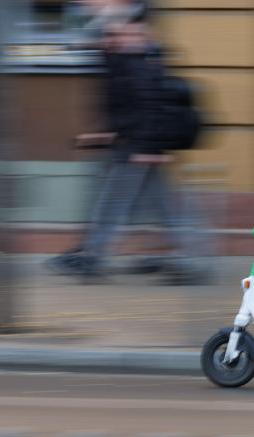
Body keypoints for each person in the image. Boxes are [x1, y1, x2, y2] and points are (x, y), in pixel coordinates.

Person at [47, 15, 196, 282]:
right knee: (163, 208)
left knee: (112, 206)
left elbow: (149, 109)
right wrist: (100, 135)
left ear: (141, 38)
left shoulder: (141, 67)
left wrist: (147, 149)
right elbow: (124, 109)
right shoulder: (125, 64)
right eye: (111, 35)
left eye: (122, 35)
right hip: (133, 145)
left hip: (138, 149)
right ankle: (187, 259)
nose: (113, 40)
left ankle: (93, 258)